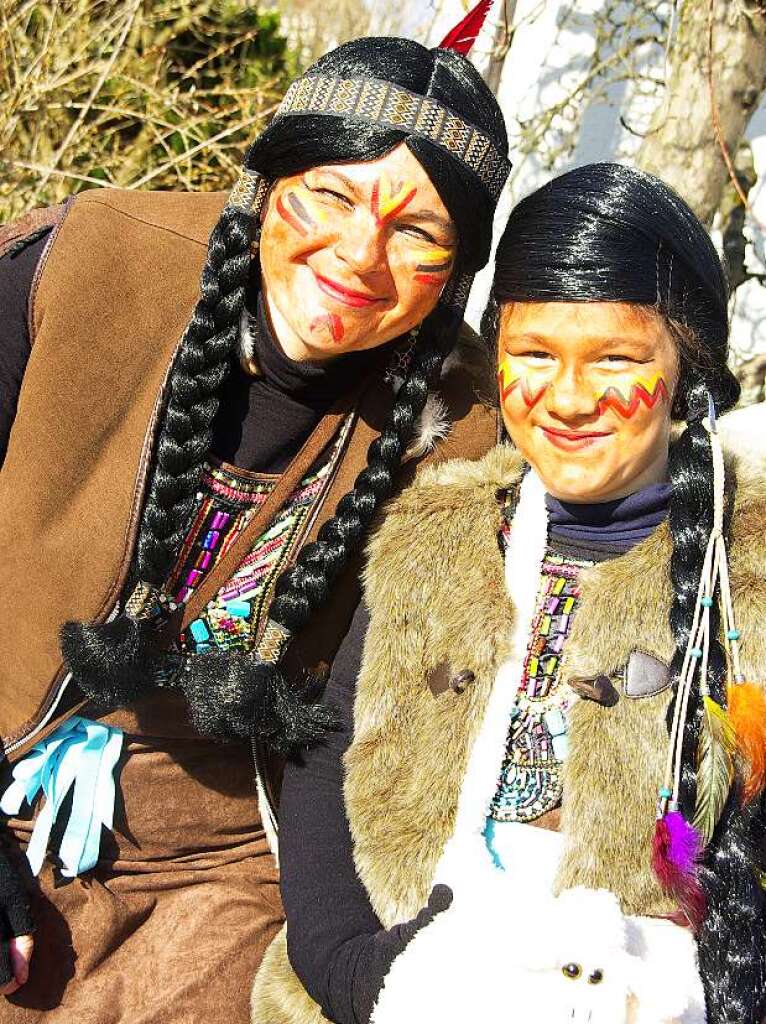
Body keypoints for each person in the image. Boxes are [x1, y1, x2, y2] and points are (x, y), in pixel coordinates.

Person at [0, 13, 511, 1020]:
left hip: (207, 855)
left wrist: (345, 957)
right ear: (266, 180)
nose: (360, 254)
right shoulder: (92, 264)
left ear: (454, 273)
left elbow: (341, 721)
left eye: (417, 231)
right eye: (331, 194)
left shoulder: (458, 430)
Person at [251, 163, 766, 1024]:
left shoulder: (743, 566)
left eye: (616, 359)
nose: (566, 399)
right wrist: (347, 966)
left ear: (688, 368)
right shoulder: (435, 530)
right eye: (533, 355)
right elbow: (331, 737)